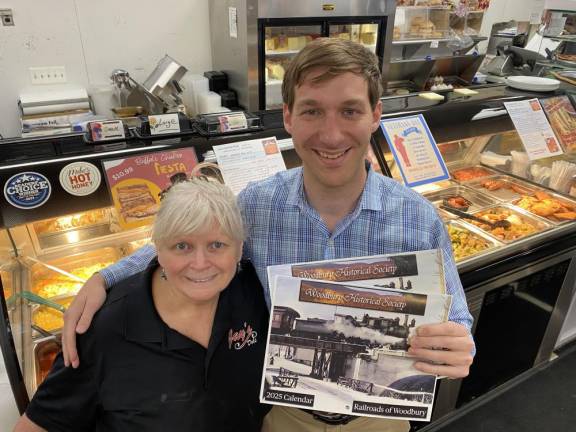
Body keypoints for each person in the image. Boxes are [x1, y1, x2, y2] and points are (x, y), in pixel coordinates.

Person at [62, 38, 474, 432]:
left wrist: (457, 346)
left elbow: (456, 319)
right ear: (289, 117)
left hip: (379, 419)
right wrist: (107, 277)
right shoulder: (257, 206)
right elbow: (195, 243)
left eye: (350, 111)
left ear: (375, 115)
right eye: (312, 112)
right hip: (280, 417)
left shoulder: (418, 219)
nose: (331, 135)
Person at [14, 178, 270, 432]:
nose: (200, 263)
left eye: (217, 245)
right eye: (182, 246)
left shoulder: (255, 295)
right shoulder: (105, 328)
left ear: (239, 249)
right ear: (158, 249)